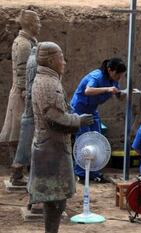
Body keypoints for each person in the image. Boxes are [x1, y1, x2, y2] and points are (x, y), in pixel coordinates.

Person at [30, 41, 94, 233]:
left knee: (55, 199)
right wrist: (78, 120)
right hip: (52, 150)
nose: (64, 62)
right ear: (51, 60)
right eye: (61, 58)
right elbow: (54, 117)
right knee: (56, 199)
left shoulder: (48, 79)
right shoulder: (49, 82)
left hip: (51, 147)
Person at [70, 57, 126, 183]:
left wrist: (122, 94)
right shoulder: (96, 76)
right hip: (79, 110)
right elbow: (88, 90)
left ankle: (95, 172)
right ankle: (81, 173)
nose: (119, 78)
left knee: (97, 140)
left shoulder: (113, 80)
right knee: (84, 141)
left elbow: (117, 95)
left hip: (92, 110)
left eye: (121, 76)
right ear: (110, 70)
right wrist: (107, 89)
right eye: (118, 75)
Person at [2, 10, 40, 185]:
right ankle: (16, 173)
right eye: (38, 22)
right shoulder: (24, 44)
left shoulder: (29, 41)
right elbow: (22, 70)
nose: (39, 25)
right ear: (31, 24)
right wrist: (26, 92)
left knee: (21, 133)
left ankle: (19, 172)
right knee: (18, 134)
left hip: (23, 92)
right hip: (21, 94)